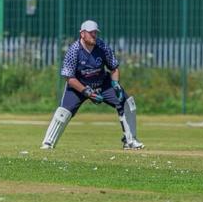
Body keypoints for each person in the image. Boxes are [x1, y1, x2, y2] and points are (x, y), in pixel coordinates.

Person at [40, 20, 145, 150]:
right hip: (79, 85)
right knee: (64, 112)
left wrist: (116, 84)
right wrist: (87, 92)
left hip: (102, 83)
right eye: (91, 33)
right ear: (82, 34)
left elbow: (114, 68)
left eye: (95, 32)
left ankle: (130, 141)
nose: (94, 35)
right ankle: (48, 143)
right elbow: (69, 78)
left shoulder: (102, 46)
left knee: (127, 103)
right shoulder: (74, 51)